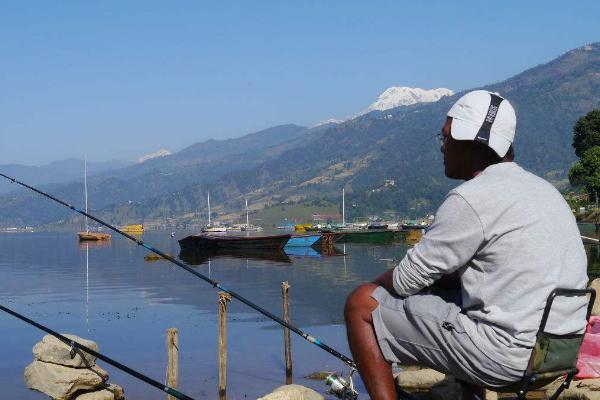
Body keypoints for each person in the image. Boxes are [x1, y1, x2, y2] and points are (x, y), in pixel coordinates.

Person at [344, 90, 589, 400]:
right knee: (452, 295)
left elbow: (406, 281)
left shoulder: (470, 198)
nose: (442, 147)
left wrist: (374, 285)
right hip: (558, 354)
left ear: (470, 143)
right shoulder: (545, 190)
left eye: (446, 138)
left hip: (506, 359)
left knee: (361, 304)